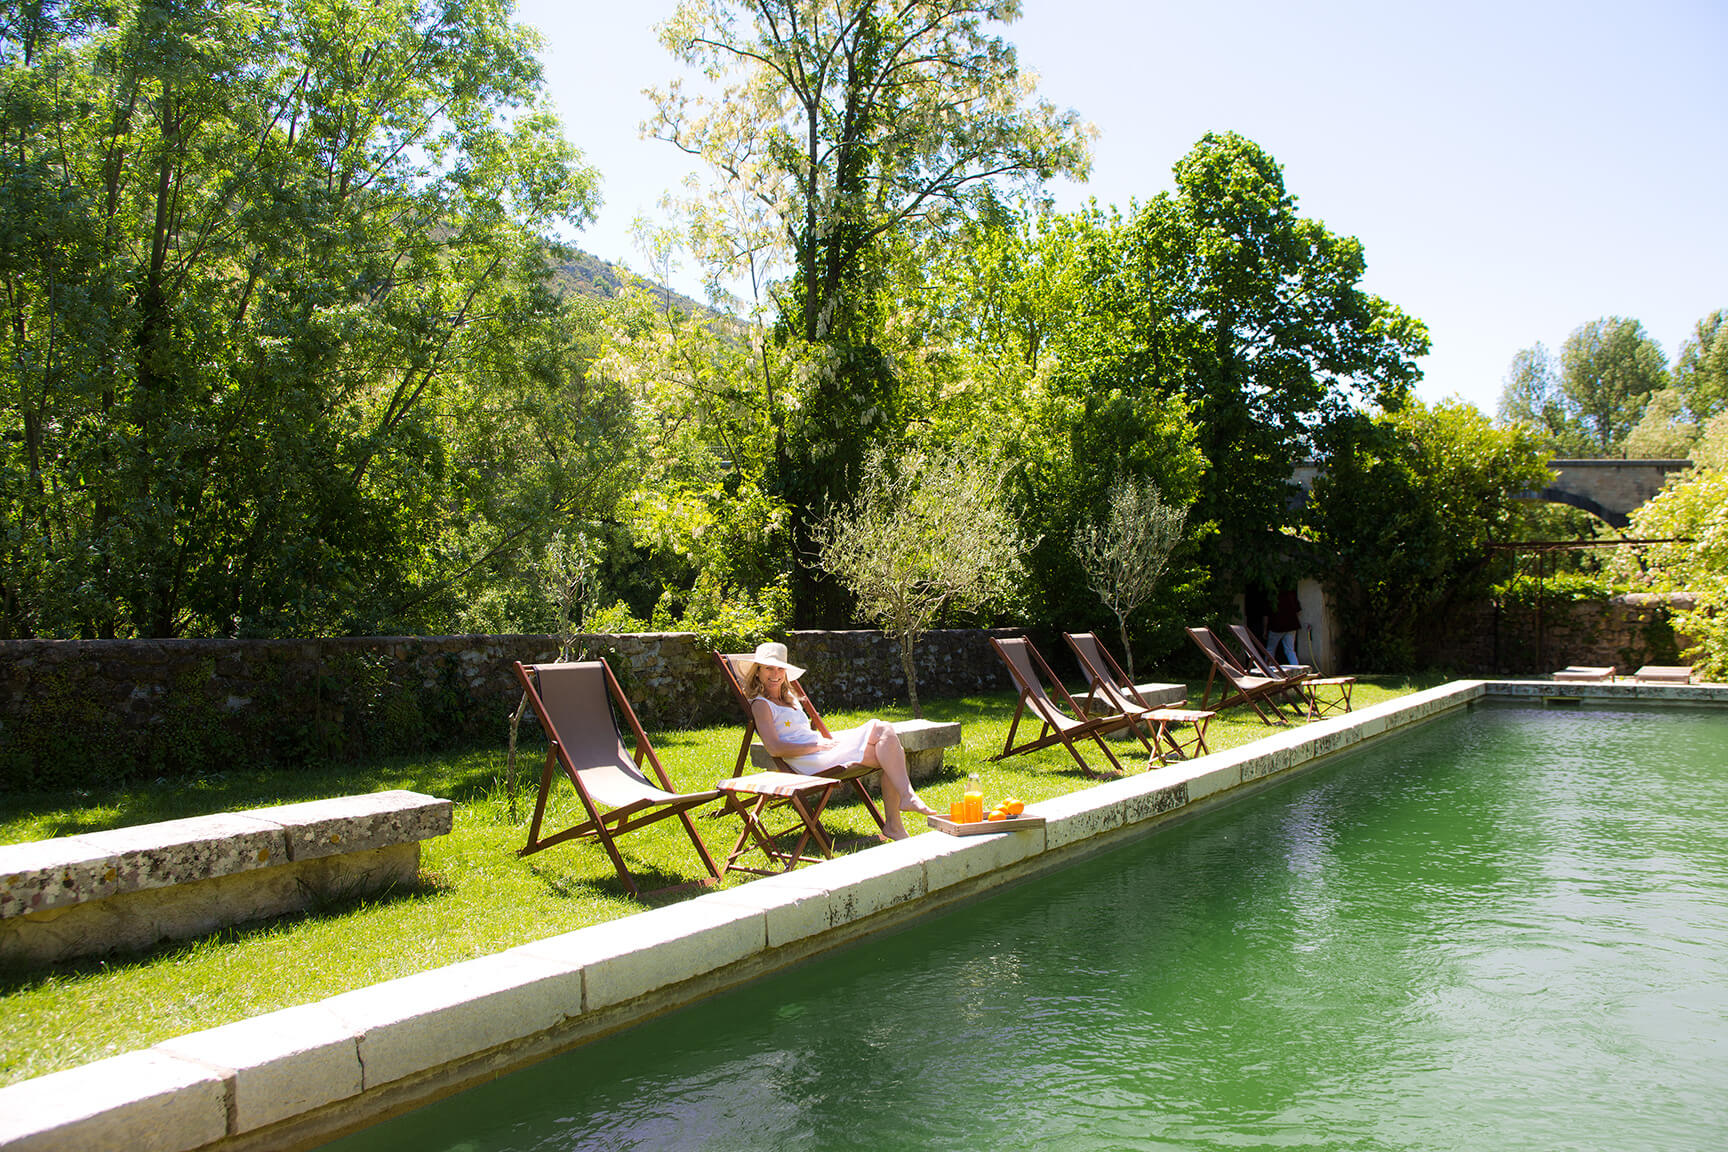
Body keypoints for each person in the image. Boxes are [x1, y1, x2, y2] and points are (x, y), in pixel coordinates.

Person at [739, 641, 936, 840]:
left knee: (886, 736)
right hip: (806, 759)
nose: (775, 674)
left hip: (820, 747)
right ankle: (900, 813)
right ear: (757, 672)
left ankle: (901, 810)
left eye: (780, 668)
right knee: (891, 753)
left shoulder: (789, 696)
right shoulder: (761, 705)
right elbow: (774, 748)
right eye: (768, 668)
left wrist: (819, 744)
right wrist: (816, 746)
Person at [1267, 587, 1302, 667]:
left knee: (1270, 650)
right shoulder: (1291, 593)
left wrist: (1265, 630)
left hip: (1277, 626)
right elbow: (1298, 611)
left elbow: (1266, 615)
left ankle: (1267, 669)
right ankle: (1297, 669)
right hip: (1291, 625)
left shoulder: (1272, 596)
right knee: (1290, 650)